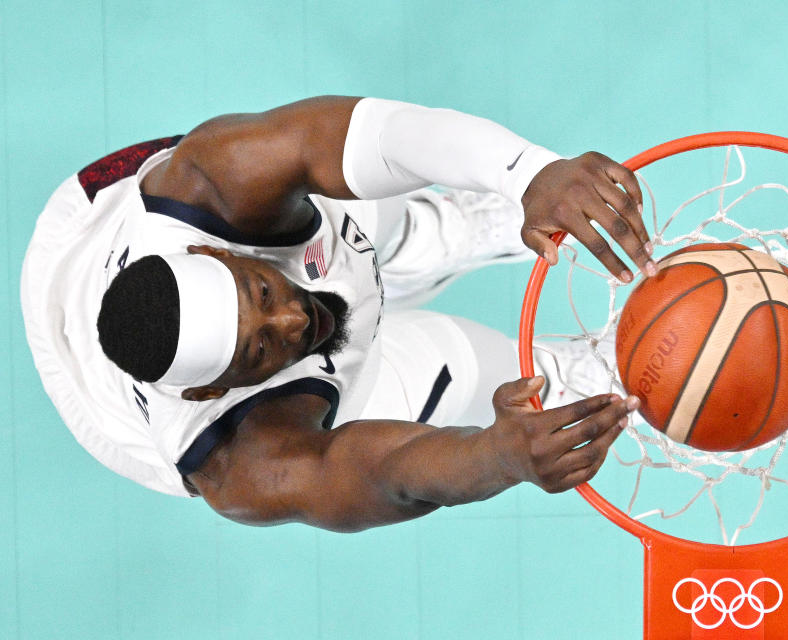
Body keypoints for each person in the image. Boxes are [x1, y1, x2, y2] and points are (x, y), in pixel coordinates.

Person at [22, 96, 655, 531]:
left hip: (81, 224)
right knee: (459, 375)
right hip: (102, 410)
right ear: (213, 387)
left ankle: (448, 228)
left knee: (371, 211)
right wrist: (501, 458)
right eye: (260, 351)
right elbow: (374, 475)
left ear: (212, 248)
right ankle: (584, 378)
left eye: (262, 296)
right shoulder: (236, 461)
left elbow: (375, 132)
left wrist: (528, 172)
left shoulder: (213, 183)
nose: (296, 323)